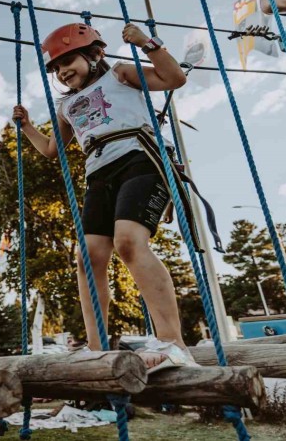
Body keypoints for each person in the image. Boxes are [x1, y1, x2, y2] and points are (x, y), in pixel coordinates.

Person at [12, 22, 197, 372]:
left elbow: (174, 78)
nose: (63, 72)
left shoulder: (120, 74)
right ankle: (96, 347)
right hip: (98, 173)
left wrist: (148, 43)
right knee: (88, 258)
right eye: (57, 68)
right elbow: (53, 150)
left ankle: (173, 342)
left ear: (94, 54)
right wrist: (26, 128)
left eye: (69, 61)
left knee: (128, 243)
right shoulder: (66, 106)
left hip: (140, 157)